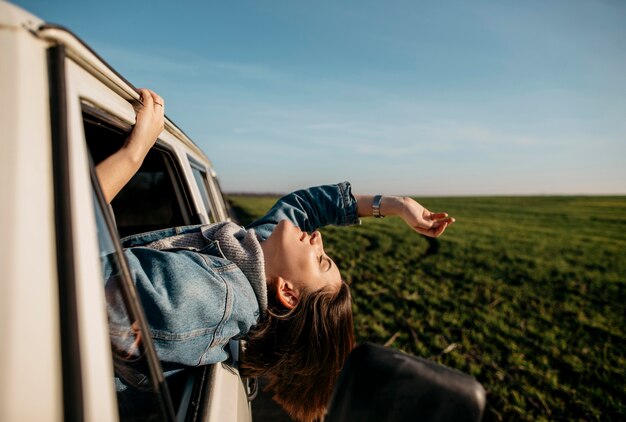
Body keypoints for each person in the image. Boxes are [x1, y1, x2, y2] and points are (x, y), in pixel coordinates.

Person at [98, 89, 455, 422]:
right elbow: (306, 207)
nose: (317, 238)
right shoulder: (253, 256)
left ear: (286, 291)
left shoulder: (205, 296)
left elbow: (74, 271)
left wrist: (133, 154)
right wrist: (395, 205)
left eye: (320, 260)